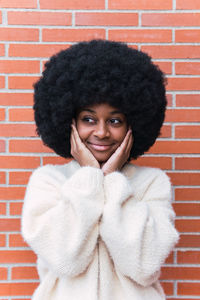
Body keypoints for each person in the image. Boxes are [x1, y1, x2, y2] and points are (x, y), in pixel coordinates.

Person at [21, 39, 179, 300]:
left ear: (132, 125)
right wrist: (90, 179)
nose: (102, 132)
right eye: (89, 119)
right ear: (69, 122)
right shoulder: (47, 181)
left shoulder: (153, 183)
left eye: (114, 120)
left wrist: (112, 181)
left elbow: (143, 266)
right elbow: (65, 260)